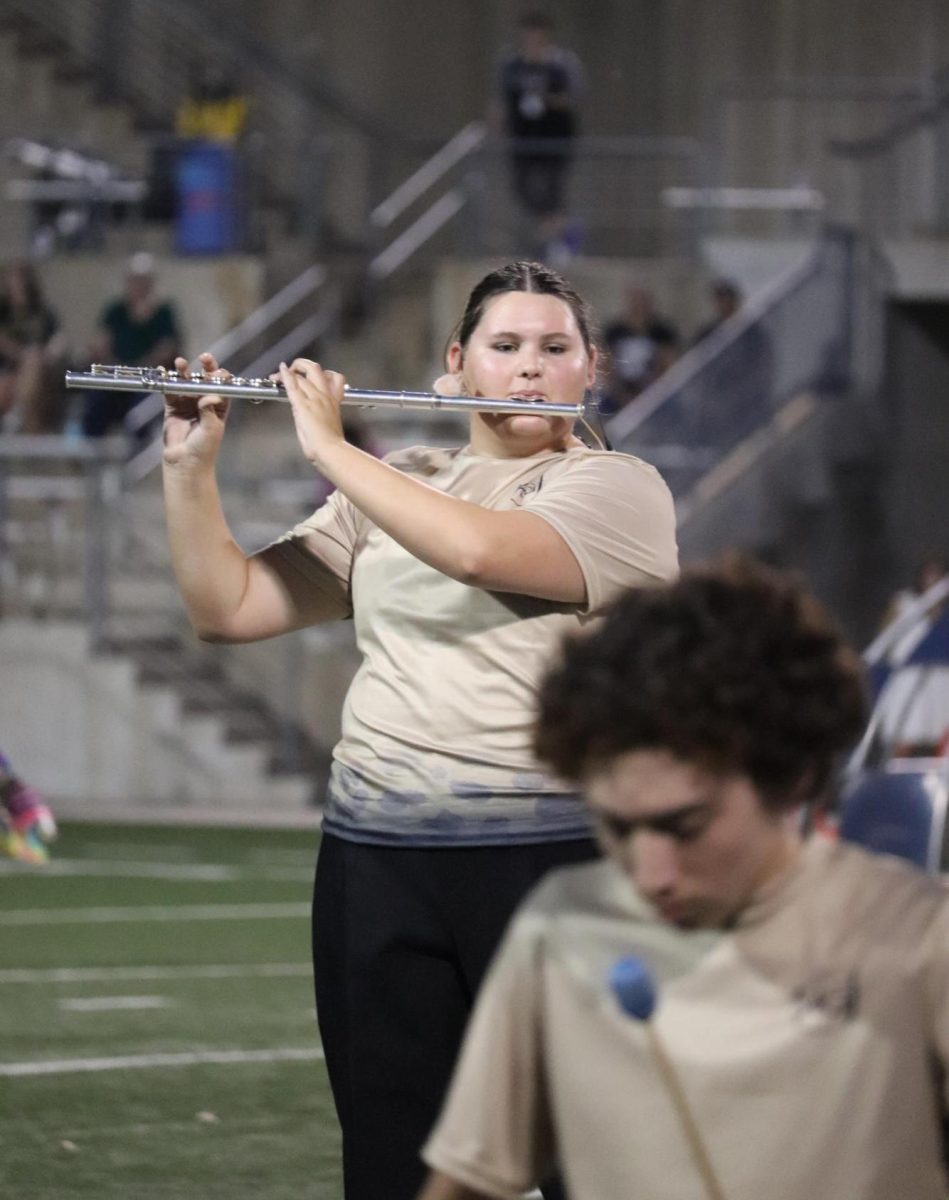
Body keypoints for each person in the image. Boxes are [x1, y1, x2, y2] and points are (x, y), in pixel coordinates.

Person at [161, 259, 678, 1200]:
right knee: (393, 1160)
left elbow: (481, 551)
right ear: (456, 365)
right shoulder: (403, 480)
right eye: (505, 346)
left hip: (551, 857)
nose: (528, 369)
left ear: (589, 369)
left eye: (553, 349)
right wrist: (188, 467)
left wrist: (329, 447)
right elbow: (228, 606)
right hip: (375, 859)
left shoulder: (616, 488)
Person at [419, 557, 949, 1200]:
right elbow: (470, 1180)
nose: (650, 875)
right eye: (617, 827)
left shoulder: (917, 934)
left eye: (685, 826)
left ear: (791, 779)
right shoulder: (560, 929)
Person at [494, 13, 585, 258]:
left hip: (555, 137)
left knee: (553, 190)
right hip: (523, 139)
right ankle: (558, 230)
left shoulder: (561, 64)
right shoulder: (513, 65)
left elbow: (573, 99)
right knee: (522, 188)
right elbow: (502, 101)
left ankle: (557, 238)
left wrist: (546, 98)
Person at [81, 252, 181, 439]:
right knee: (96, 401)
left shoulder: (163, 312)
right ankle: (91, 455)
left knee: (141, 409)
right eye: (134, 280)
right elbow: (100, 340)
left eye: (142, 281)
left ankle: (136, 452)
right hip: (117, 374)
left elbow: (168, 348)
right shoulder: (116, 311)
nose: (138, 285)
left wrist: (141, 367)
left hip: (147, 378)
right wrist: (108, 357)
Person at [0, 261, 68, 433]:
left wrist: (46, 354)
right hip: (8, 367)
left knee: (33, 367)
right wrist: (21, 354)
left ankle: (18, 412)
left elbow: (57, 338)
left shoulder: (42, 311)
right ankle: (17, 410)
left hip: (39, 371)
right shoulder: (3, 311)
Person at [601, 285, 681, 415]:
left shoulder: (662, 332)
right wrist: (621, 395)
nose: (639, 307)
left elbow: (668, 365)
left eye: (643, 302)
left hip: (653, 390)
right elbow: (606, 366)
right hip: (621, 390)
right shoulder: (614, 332)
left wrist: (650, 394)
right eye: (635, 302)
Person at [0, 750, 57, 865]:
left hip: (31, 817)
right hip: (36, 816)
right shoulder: (15, 786)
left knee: (33, 837)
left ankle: (26, 851)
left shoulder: (12, 788)